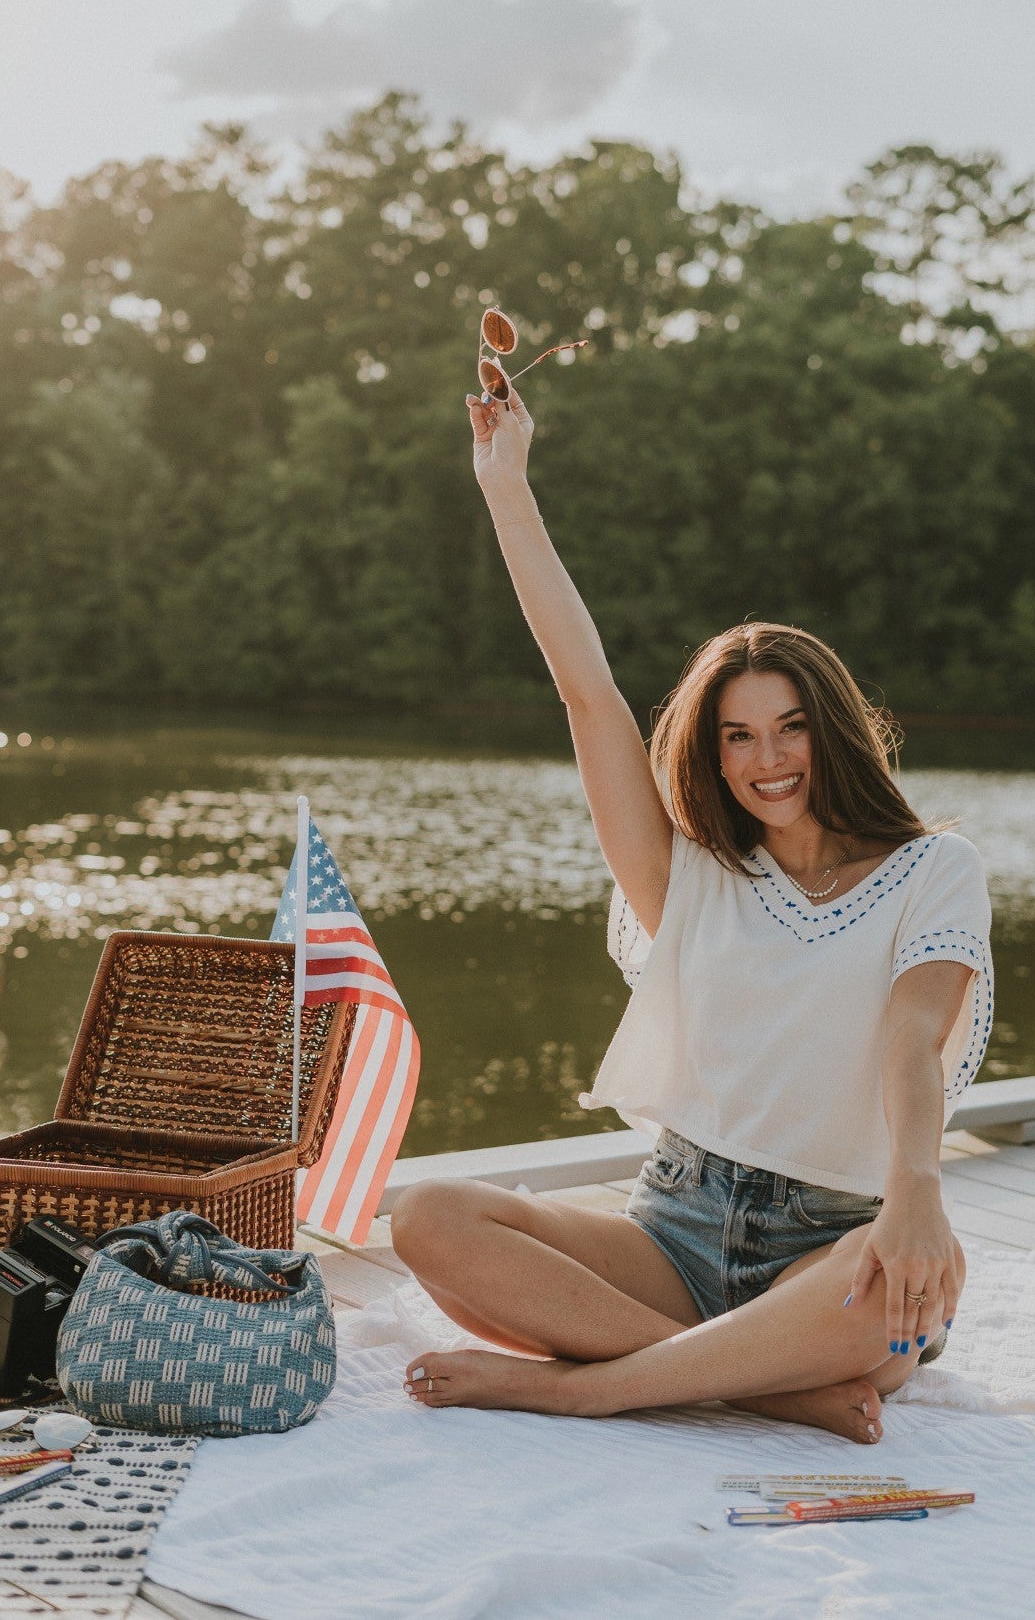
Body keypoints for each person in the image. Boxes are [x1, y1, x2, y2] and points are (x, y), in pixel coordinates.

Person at [391, 380, 993, 1442]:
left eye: (790, 727)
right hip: (671, 1229)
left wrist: (916, 1190)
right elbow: (587, 692)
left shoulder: (934, 868)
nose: (767, 760)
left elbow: (910, 1036)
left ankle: (583, 1381)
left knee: (886, 1292)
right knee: (430, 1216)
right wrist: (506, 486)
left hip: (827, 1242)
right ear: (711, 751)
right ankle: (753, 1384)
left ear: (835, 731)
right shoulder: (692, 873)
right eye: (738, 736)